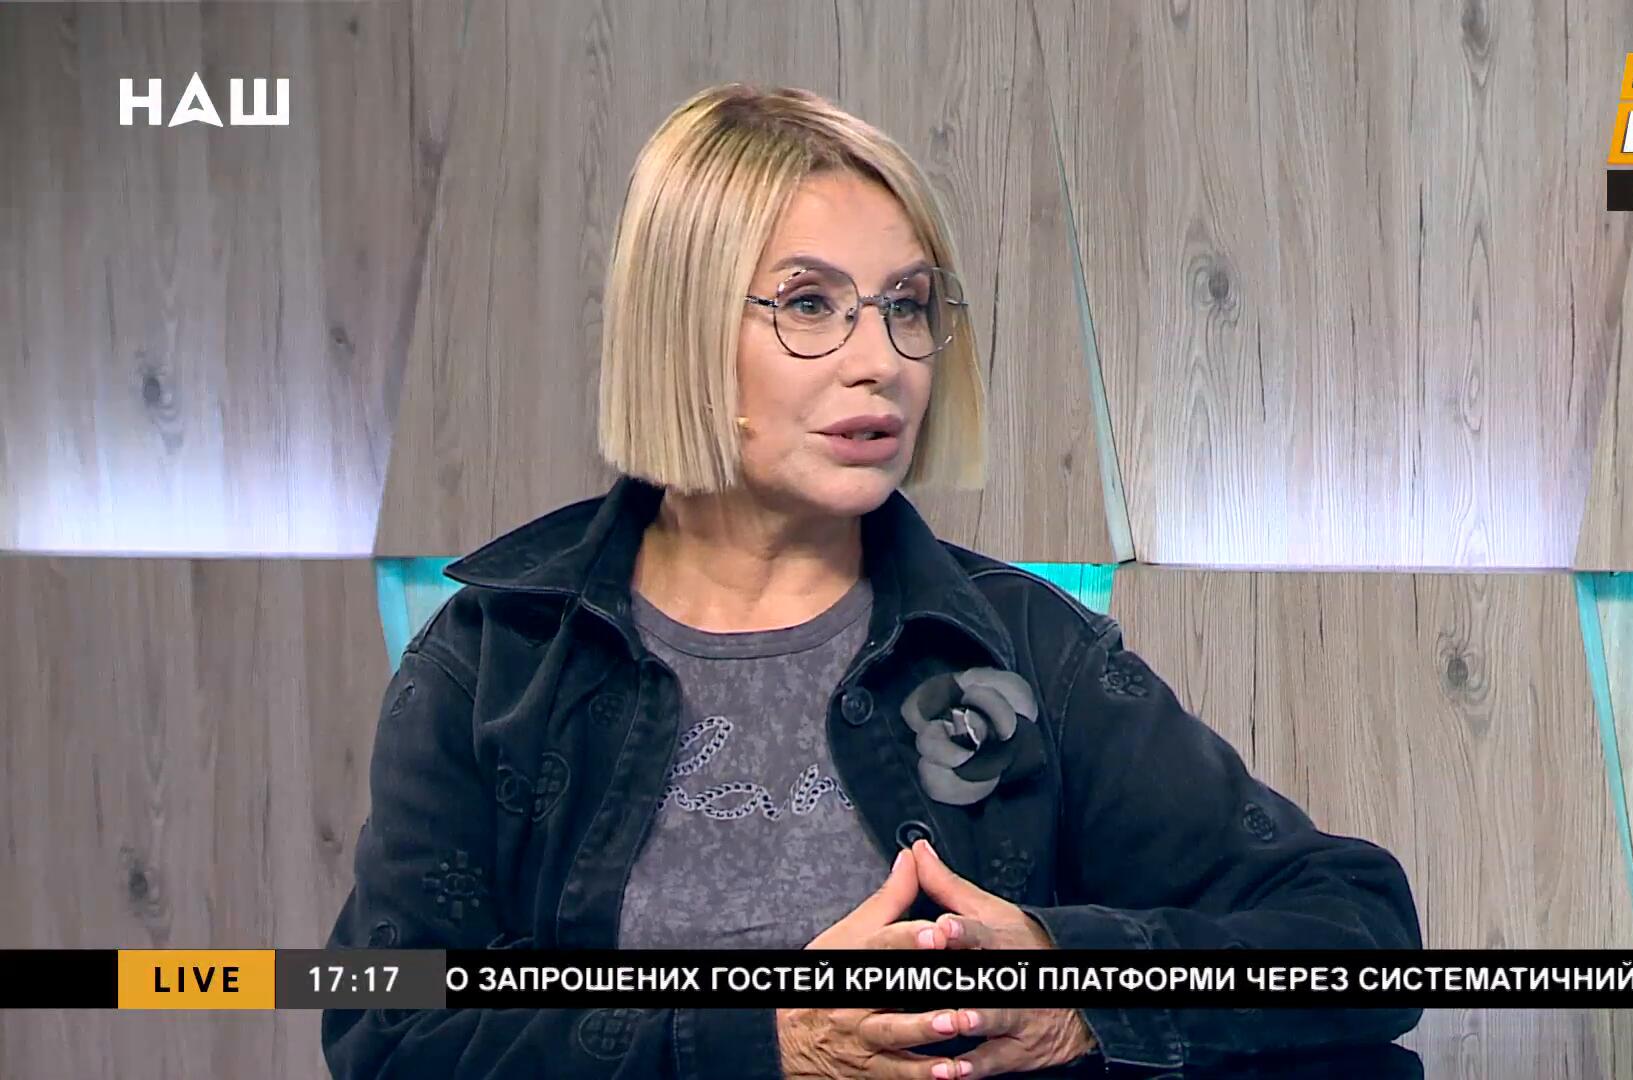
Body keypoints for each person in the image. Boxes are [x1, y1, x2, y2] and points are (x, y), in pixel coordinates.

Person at [321, 83, 1422, 1080]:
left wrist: (1071, 982)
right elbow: (387, 1024)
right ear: (681, 329)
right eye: (809, 304)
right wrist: (766, 1036)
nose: (882, 359)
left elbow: (1358, 935)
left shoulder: (1020, 647)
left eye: (907, 305)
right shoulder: (497, 660)